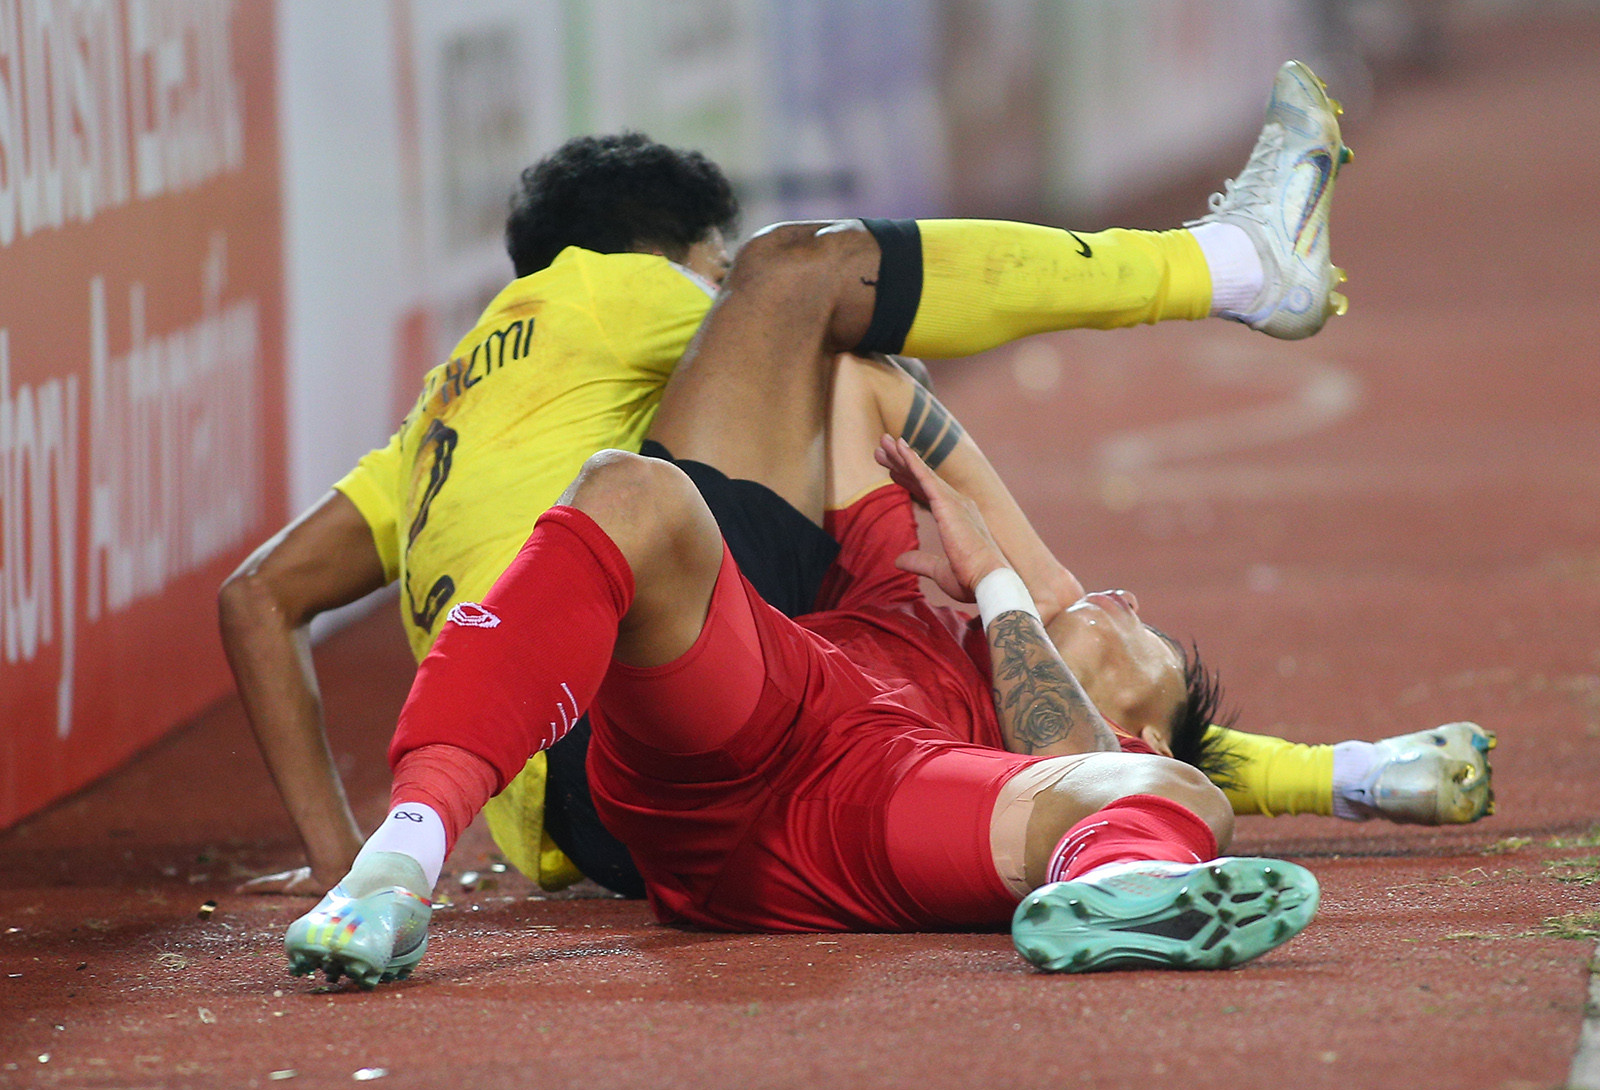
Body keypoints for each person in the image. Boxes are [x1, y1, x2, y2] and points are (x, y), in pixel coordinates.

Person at [279, 60, 1452, 987]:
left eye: (1144, 642)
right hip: (728, 731)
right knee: (633, 487)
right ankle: (395, 868)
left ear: (1134, 715)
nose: (1127, 599)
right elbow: (852, 383)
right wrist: (993, 555)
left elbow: (1086, 754)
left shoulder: (1072, 716)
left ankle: (1235, 266)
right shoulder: (900, 597)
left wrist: (1010, 588)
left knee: (1174, 802)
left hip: (828, 811)